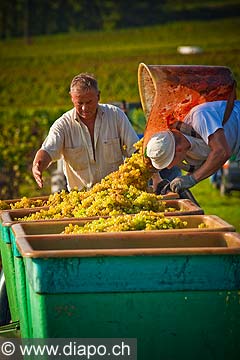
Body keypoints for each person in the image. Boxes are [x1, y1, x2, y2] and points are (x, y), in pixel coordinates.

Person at [32, 73, 142, 191]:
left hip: (117, 194)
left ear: (98, 96)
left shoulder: (116, 116)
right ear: (72, 98)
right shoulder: (63, 125)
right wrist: (37, 166)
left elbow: (135, 150)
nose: (84, 108)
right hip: (81, 200)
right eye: (80, 103)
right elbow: (48, 150)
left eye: (89, 102)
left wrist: (153, 176)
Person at [146, 99, 240, 193]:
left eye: (169, 163)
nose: (170, 167)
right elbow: (207, 164)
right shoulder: (187, 152)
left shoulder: (200, 116)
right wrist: (184, 179)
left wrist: (192, 179)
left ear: (178, 149)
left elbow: (221, 151)